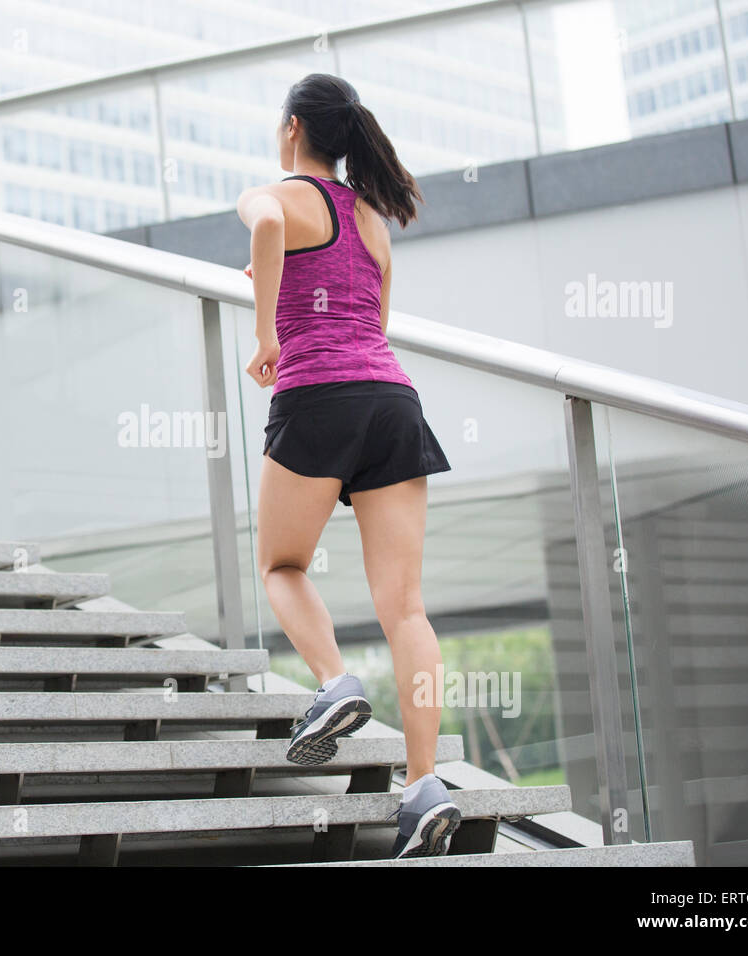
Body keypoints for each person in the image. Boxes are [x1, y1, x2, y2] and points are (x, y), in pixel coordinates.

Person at [235, 73, 460, 859]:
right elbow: (377, 323)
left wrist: (267, 334)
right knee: (407, 609)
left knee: (280, 564)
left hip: (316, 396)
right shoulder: (370, 217)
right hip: (391, 399)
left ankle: (336, 684)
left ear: (292, 127)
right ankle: (424, 785)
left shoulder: (275, 193)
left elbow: (265, 229)